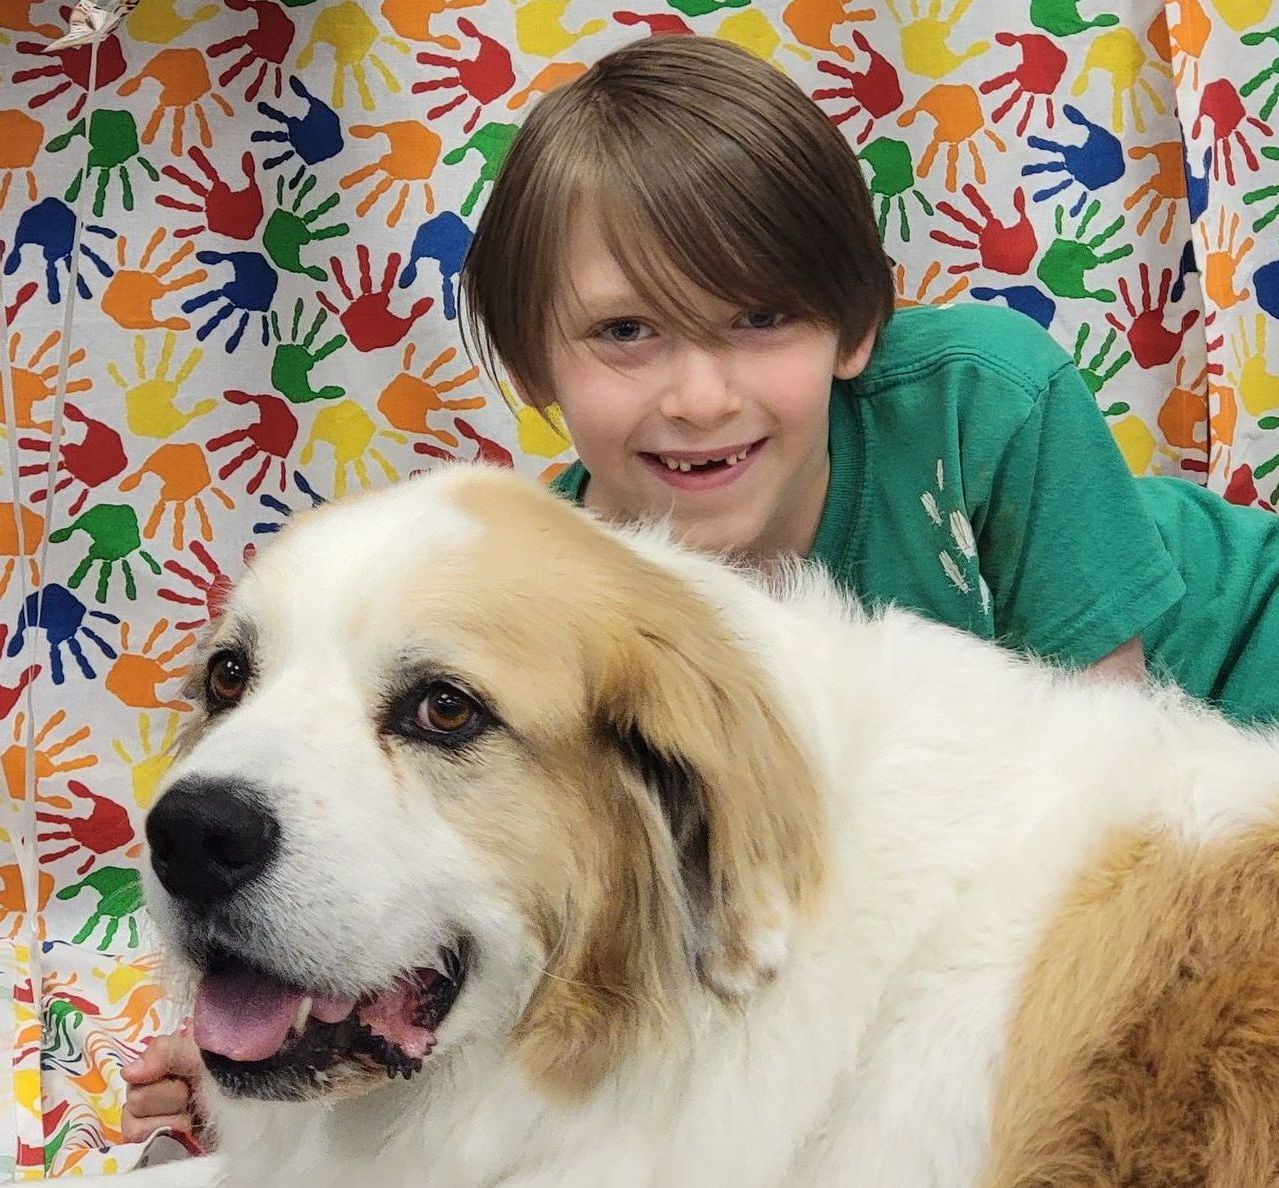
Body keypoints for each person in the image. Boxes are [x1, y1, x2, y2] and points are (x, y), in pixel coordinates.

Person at [124, 32, 1279, 1144]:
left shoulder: (990, 400)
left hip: (1219, 679)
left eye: (759, 318)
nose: (698, 396)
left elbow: (1094, 765)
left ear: (856, 323)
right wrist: (263, 1014)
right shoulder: (564, 599)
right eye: (626, 331)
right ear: (537, 368)